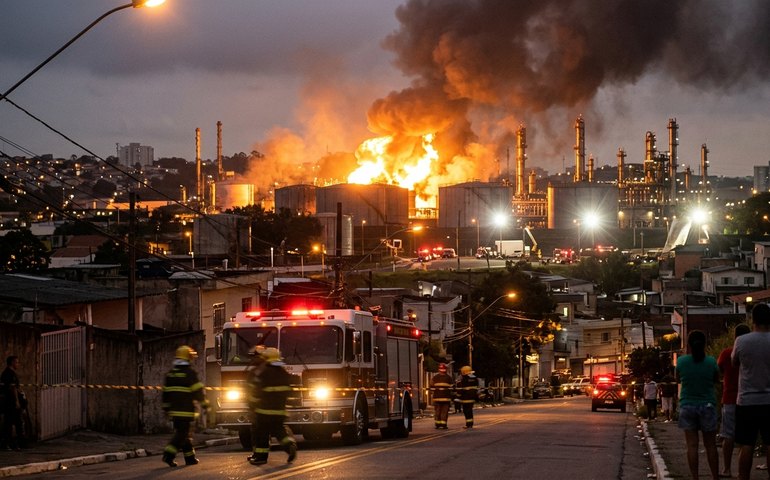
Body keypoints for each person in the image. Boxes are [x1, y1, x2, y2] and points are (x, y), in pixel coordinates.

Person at [732, 302, 770, 480]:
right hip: (769, 400)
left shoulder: (742, 341)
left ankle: (743, 477)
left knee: (746, 444)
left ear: (752, 319)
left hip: (747, 401)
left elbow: (734, 362)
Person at [676, 330, 720, 480]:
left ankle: (695, 477)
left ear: (688, 344)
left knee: (692, 446)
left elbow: (678, 379)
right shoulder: (711, 362)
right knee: (711, 446)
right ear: (705, 344)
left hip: (687, 405)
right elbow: (716, 379)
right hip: (707, 405)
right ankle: (715, 477)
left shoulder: (681, 362)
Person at [246, 347, 297, 466]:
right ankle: (290, 447)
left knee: (262, 434)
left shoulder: (263, 373)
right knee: (280, 432)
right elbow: (290, 391)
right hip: (279, 411)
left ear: (266, 359)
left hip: (263, 411)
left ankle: (261, 458)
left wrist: (252, 405)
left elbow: (256, 391)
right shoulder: (283, 372)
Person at [161, 345, 209, 467]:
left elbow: (166, 393)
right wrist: (205, 405)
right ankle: (168, 454)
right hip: (186, 411)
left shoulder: (171, 374)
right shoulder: (190, 374)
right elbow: (198, 392)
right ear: (188, 358)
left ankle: (190, 458)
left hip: (174, 412)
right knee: (181, 434)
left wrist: (166, 408)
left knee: (184, 434)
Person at [717, 323, 751, 478]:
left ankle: (726, 468)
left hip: (730, 398)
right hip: (749, 399)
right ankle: (743, 472)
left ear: (734, 336)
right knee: (747, 438)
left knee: (728, 435)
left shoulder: (726, 353)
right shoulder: (752, 353)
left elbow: (719, 370)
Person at [0, 356, 25, 451]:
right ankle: (13, 444)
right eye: (16, 362)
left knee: (10, 423)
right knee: (14, 423)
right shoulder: (9, 374)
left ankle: (12, 443)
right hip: (10, 403)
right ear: (12, 363)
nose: (18, 364)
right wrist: (17, 401)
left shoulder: (7, 373)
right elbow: (13, 388)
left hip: (9, 402)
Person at [430, 363, 453, 429]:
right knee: (444, 412)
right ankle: (443, 425)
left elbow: (431, 386)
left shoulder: (435, 377)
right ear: (446, 369)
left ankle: (437, 424)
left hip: (437, 398)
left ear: (439, 369)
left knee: (437, 411)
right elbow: (452, 388)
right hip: (446, 398)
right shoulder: (449, 378)